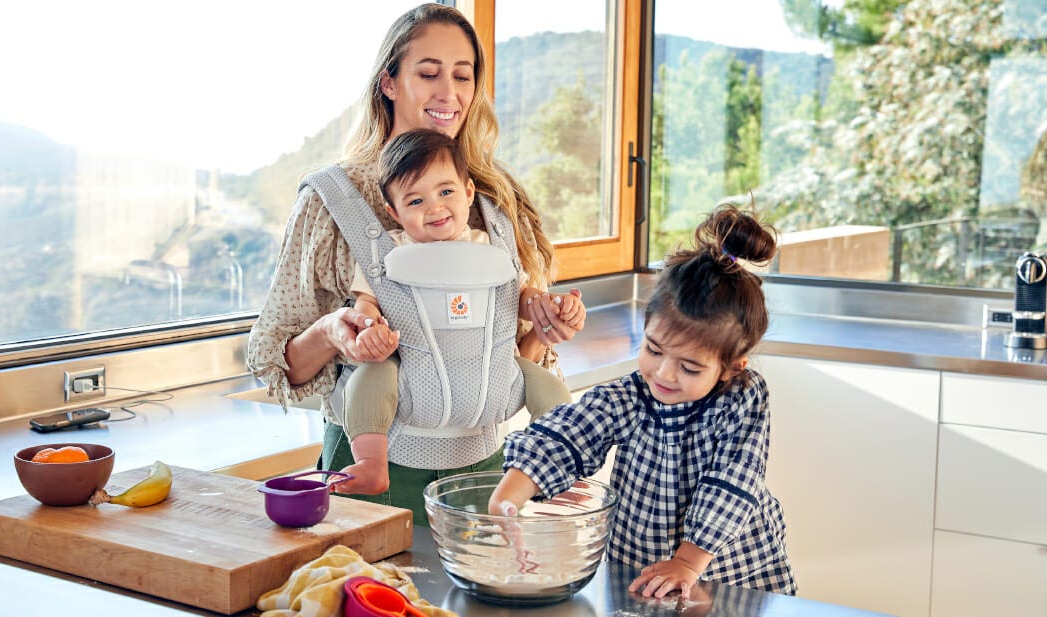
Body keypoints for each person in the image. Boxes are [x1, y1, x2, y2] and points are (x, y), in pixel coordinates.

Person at [246, 3, 586, 526]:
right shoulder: (331, 200)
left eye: (462, 75)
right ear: (388, 82)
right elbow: (280, 366)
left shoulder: (494, 198)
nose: (448, 92)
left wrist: (545, 327)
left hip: (482, 470)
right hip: (372, 472)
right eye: (428, 73)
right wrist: (335, 331)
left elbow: (513, 354)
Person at [487, 203, 797, 598]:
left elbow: (731, 483)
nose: (664, 374)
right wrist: (507, 499)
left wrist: (687, 563)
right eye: (653, 349)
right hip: (642, 564)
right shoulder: (631, 395)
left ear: (731, 368)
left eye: (688, 367)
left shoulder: (742, 398)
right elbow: (568, 434)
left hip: (730, 572)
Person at [335, 128, 583, 495]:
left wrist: (549, 306)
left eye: (446, 192)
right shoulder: (386, 255)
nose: (434, 207)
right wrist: (370, 328)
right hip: (409, 382)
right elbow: (365, 303)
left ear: (468, 192)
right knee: (368, 379)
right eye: (415, 201)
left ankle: (561, 467)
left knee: (550, 388)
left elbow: (523, 296)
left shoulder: (494, 247)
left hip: (495, 378)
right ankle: (372, 463)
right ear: (393, 212)